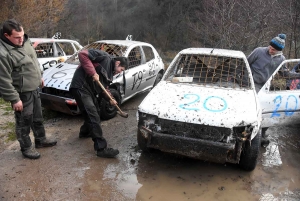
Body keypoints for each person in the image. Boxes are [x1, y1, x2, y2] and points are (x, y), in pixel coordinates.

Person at [0, 19, 57, 159]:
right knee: (24, 121)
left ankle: (41, 139)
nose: (21, 39)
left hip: (34, 87)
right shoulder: (3, 53)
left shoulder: (25, 40)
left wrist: (40, 77)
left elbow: (34, 60)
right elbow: (3, 79)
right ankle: (26, 148)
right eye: (17, 37)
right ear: (7, 36)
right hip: (21, 93)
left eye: (22, 35)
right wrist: (14, 99)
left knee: (38, 117)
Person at [69, 49, 128, 158]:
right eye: (121, 69)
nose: (120, 72)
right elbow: (82, 54)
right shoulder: (105, 57)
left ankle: (85, 132)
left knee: (95, 111)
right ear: (118, 63)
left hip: (89, 90)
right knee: (93, 115)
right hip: (80, 86)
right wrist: (93, 72)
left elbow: (103, 87)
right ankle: (101, 148)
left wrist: (110, 98)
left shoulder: (110, 72)